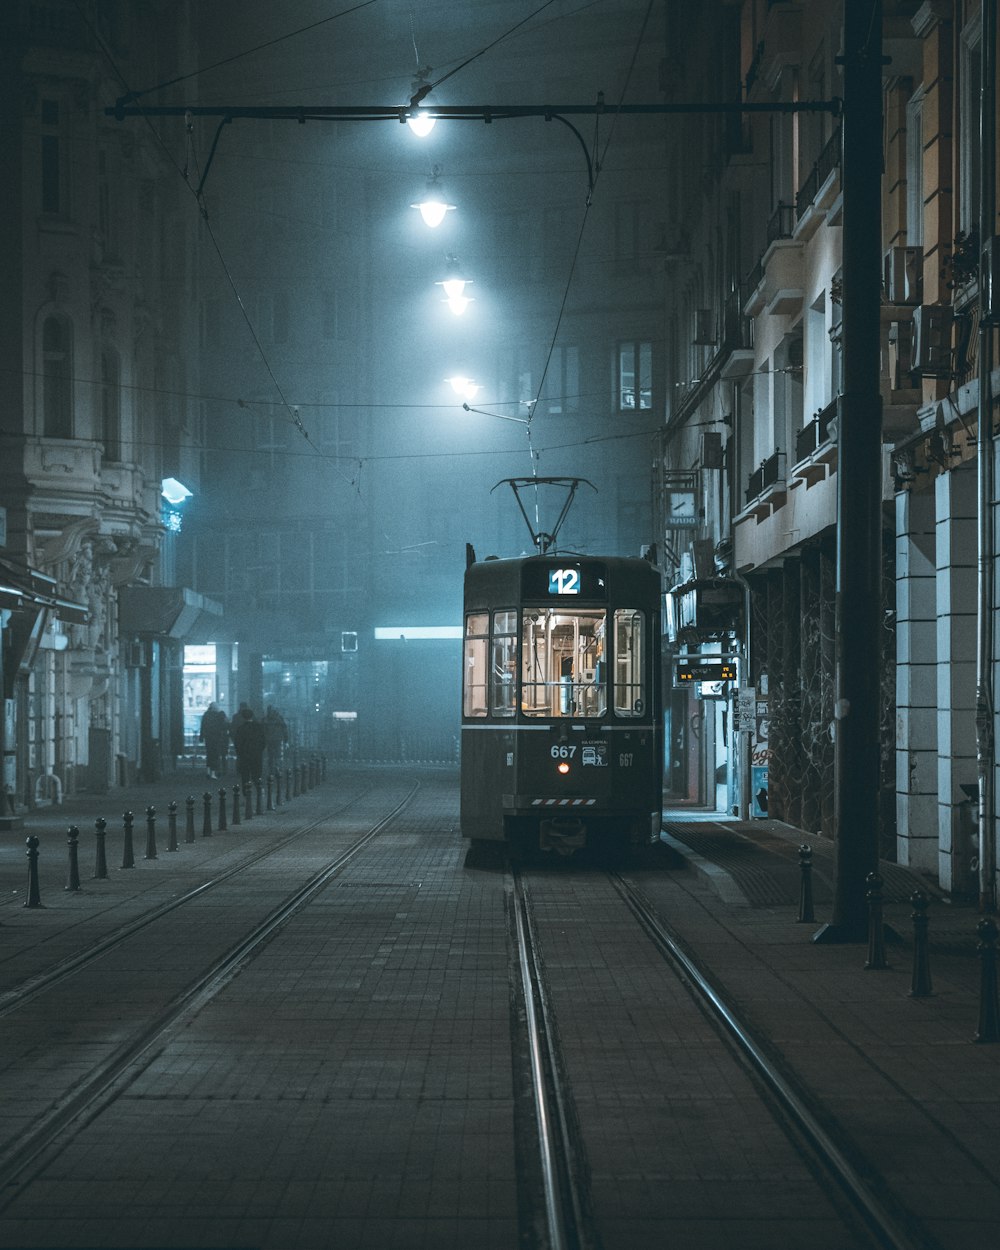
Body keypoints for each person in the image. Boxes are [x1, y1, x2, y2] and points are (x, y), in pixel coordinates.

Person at [231, 706, 266, 786]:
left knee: (245, 774)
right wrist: (260, 749)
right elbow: (263, 740)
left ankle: (246, 790)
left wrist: (239, 752)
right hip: (256, 753)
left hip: (245, 754)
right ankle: (258, 789)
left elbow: (237, 743)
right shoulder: (258, 727)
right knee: (257, 773)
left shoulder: (241, 729)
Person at [199, 702, 229, 779]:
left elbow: (203, 726)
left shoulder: (206, 715)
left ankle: (208, 771)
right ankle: (213, 772)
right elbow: (224, 725)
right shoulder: (218, 715)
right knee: (215, 755)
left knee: (209, 754)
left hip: (208, 737)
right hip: (216, 737)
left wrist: (201, 736)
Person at [264, 706, 288, 776]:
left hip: (269, 740)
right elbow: (284, 729)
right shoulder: (279, 719)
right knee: (278, 755)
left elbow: (263, 730)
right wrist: (286, 739)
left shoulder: (266, 719)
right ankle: (278, 769)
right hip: (278, 739)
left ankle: (271, 770)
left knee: (271, 755)